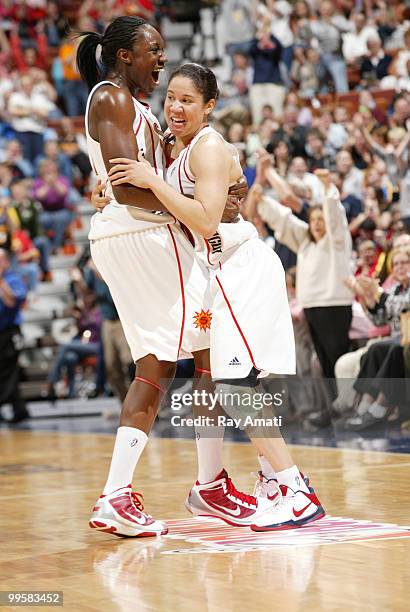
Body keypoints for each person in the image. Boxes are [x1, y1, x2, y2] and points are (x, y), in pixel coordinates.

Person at [107, 62, 325, 531]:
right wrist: (113, 191)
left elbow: (206, 221)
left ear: (209, 107)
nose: (176, 107)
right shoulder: (175, 144)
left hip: (242, 268)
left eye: (188, 100)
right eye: (171, 98)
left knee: (234, 385)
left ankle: (294, 489)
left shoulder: (208, 148)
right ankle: (270, 479)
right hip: (217, 274)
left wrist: (152, 181)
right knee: (227, 380)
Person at [77, 17, 260, 538]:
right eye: (152, 50)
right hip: (145, 238)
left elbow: (133, 184)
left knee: (194, 355)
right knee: (178, 358)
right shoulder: (110, 98)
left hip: (144, 236)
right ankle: (131, 492)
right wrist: (196, 213)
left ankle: (202, 483)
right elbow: (129, 187)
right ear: (123, 56)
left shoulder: (136, 109)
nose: (161, 58)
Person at [0, 248, 29, 423]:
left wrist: (1, 282)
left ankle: (14, 408)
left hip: (9, 333)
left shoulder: (13, 280)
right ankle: (19, 409)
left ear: (6, 262)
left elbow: (11, 302)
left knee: (9, 371)